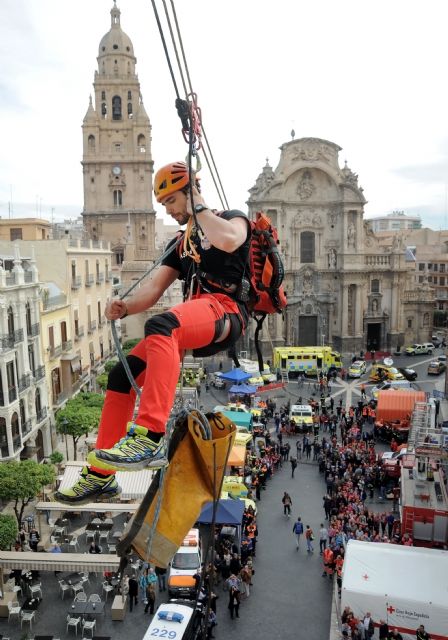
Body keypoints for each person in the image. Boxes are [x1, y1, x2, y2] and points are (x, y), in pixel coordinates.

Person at [56, 161, 251, 503]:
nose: (169, 210)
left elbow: (230, 240)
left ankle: (148, 434)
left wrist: (197, 207)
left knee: (162, 325)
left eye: (171, 202)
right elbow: (154, 290)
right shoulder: (181, 242)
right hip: (196, 316)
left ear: (189, 192)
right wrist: (126, 307)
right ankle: (100, 475)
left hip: (226, 311)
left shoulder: (231, 218)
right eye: (164, 205)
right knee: (121, 375)